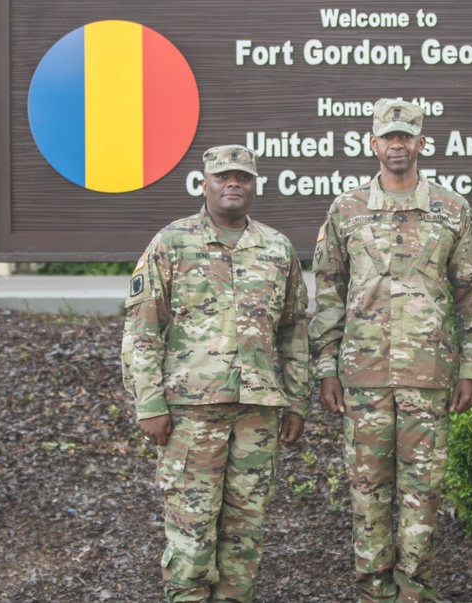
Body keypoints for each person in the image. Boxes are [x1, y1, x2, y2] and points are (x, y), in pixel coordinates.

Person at [310, 98, 472, 603]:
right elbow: (328, 292)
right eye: (388, 136)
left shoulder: (452, 210)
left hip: (427, 377)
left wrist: (471, 370)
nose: (397, 145)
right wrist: (326, 367)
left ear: (421, 143)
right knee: (367, 493)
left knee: (423, 491)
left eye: (406, 136)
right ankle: (373, 592)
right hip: (362, 377)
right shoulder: (346, 210)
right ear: (372, 144)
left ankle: (414, 591)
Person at [121, 145, 310, 603]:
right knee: (192, 532)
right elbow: (143, 328)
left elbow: (294, 331)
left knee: (245, 534)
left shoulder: (277, 248)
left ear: (254, 185)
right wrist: (148, 404)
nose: (233, 184)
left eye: (242, 177)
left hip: (257, 413)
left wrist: (297, 401)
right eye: (223, 176)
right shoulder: (172, 242)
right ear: (203, 182)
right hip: (191, 413)